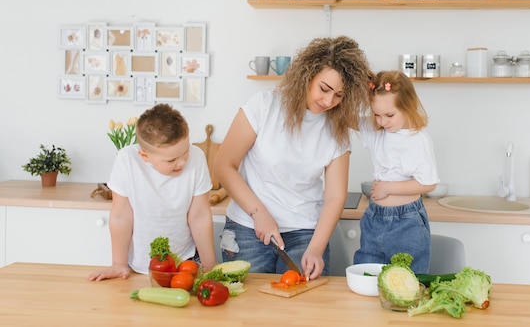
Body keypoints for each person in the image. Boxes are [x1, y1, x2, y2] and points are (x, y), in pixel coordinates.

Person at [214, 36, 371, 280]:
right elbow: (224, 165)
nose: (329, 102)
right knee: (246, 312)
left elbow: (335, 197)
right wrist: (258, 213)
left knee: (303, 313)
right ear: (307, 75)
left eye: (339, 95)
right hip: (247, 227)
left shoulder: (337, 129)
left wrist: (316, 249)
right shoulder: (263, 106)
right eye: (324, 89)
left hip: (305, 233)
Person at [88, 103, 217, 281]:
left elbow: (199, 216)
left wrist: (210, 266)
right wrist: (119, 263)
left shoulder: (196, 157)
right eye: (171, 160)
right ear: (145, 156)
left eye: (185, 152)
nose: (181, 162)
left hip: (186, 261)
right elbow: (121, 216)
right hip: (137, 265)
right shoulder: (127, 160)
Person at [353, 71, 439, 274]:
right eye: (376, 114)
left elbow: (428, 184)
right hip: (374, 219)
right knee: (367, 276)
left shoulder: (418, 139)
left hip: (407, 223)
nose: (382, 121)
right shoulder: (377, 130)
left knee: (408, 283)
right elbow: (345, 116)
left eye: (389, 115)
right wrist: (357, 86)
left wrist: (388, 188)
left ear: (407, 107)